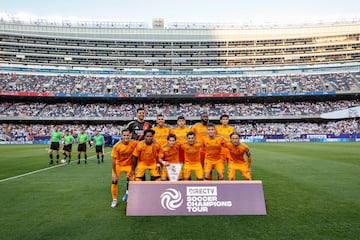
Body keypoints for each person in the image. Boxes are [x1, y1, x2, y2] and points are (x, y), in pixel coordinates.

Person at [110, 129, 139, 207]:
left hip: (128, 165)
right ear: (122, 136)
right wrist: (114, 172)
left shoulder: (134, 143)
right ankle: (114, 199)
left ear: (130, 135)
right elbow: (113, 160)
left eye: (127, 135)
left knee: (132, 181)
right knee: (114, 181)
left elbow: (143, 143)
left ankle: (129, 195)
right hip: (118, 165)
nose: (126, 137)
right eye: (124, 135)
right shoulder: (117, 146)